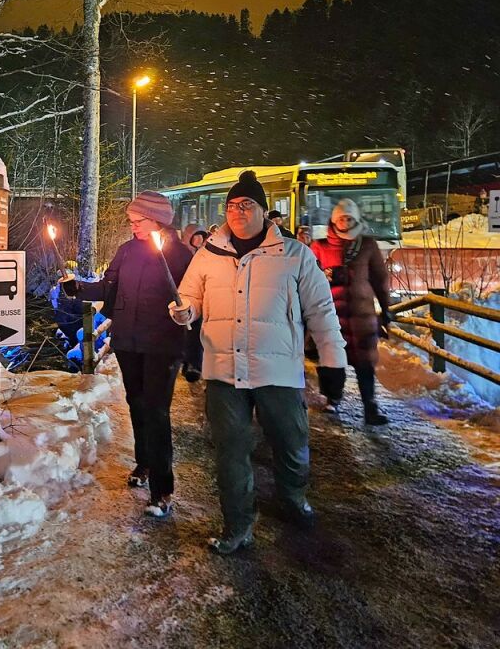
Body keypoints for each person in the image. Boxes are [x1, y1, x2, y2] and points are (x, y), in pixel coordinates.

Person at [169, 171, 347, 554]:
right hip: (224, 372)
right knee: (230, 453)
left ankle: (293, 495)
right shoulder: (208, 254)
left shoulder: (293, 255)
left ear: (264, 212)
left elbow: (321, 310)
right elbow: (188, 297)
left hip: (277, 371)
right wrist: (183, 312)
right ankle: (237, 524)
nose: (236, 211)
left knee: (290, 442)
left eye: (246, 204)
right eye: (231, 205)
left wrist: (333, 360)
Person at [62, 191, 193, 519]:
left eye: (139, 220)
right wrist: (78, 288)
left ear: (158, 219)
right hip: (129, 341)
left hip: (162, 345)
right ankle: (144, 462)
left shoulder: (180, 255)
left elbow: (191, 298)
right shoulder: (128, 250)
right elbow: (109, 287)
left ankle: (163, 489)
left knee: (157, 411)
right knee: (136, 403)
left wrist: (184, 313)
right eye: (131, 220)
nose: (132, 225)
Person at [310, 199, 392, 425]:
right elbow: (307, 277)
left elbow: (380, 279)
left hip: (362, 315)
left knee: (365, 362)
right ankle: (332, 398)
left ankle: (370, 406)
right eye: (341, 218)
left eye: (349, 218)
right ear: (334, 220)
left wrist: (386, 309)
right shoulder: (320, 245)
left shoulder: (367, 245)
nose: (345, 221)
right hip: (330, 314)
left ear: (356, 219)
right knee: (331, 359)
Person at [180, 225, 209, 382]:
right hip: (186, 299)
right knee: (188, 333)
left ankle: (195, 364)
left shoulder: (207, 254)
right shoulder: (183, 254)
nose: (198, 241)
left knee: (197, 334)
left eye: (201, 237)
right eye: (195, 237)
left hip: (204, 300)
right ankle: (188, 361)